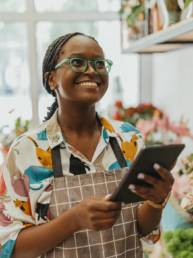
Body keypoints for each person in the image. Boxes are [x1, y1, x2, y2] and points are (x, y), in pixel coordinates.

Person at [0, 32, 174, 258]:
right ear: (52, 79)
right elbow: (10, 249)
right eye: (77, 62)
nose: (92, 70)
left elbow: (142, 229)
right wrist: (73, 220)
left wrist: (156, 201)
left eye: (99, 63)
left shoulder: (129, 139)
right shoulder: (27, 151)